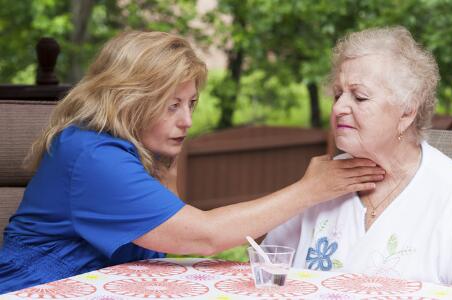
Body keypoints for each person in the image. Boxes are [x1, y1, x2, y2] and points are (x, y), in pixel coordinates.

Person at [0, 30, 385, 294]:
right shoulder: (93, 157)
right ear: (129, 99)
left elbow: (169, 232)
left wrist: (167, 160)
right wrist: (311, 189)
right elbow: (202, 235)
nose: (187, 120)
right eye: (172, 105)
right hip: (35, 288)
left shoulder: (127, 147)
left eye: (191, 104)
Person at [264, 26, 452, 289]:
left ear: (407, 112)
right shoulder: (321, 181)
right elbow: (268, 266)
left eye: (359, 97)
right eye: (337, 94)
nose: (338, 107)